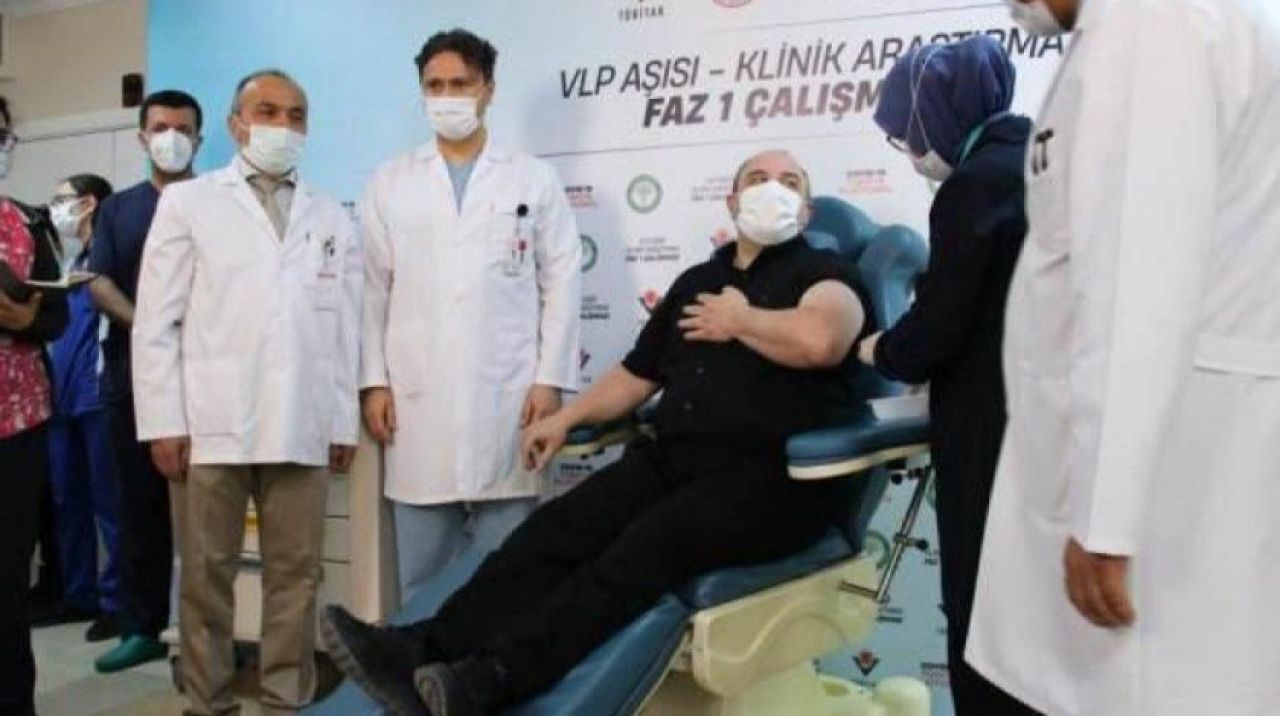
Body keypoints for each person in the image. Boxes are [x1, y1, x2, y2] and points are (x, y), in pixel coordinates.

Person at [323, 149, 873, 716]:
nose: (772, 189)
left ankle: (494, 679)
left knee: (641, 549)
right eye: (757, 179)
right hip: (674, 465)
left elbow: (823, 340)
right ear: (732, 202)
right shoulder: (698, 282)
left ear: (806, 211)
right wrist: (565, 419)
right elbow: (637, 375)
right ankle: (422, 648)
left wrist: (740, 320)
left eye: (789, 182)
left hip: (772, 480)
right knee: (554, 531)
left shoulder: (824, 275)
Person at [967, 1, 1280, 715]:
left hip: (1172, 475)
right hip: (1201, 448)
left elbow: (1136, 281)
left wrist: (1106, 517)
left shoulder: (1152, 22)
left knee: (1156, 687)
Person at [132, 69, 362, 716]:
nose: (282, 126)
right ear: (236, 124)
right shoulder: (190, 203)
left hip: (301, 423)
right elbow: (156, 322)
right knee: (207, 577)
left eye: (296, 114)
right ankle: (206, 701)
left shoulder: (331, 216)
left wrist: (340, 420)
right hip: (211, 423)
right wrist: (163, 422)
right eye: (268, 111)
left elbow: (345, 328)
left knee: (297, 575)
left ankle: (285, 698)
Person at [360, 28, 581, 607]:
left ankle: (495, 664)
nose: (447, 96)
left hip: (508, 399)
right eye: (435, 85)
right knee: (421, 579)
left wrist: (549, 379)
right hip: (417, 404)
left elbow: (561, 282)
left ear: (488, 89)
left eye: (460, 83)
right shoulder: (391, 182)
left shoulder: (532, 178)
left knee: (507, 574)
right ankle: (418, 660)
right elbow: (371, 292)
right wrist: (374, 382)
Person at [861, 37, 1038, 716]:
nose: (910, 152)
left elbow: (938, 328)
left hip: (994, 434)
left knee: (984, 619)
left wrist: (879, 351)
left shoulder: (974, 184)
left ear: (932, 117)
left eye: (905, 135)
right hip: (1043, 430)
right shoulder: (1037, 159)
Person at [87, 89, 205, 673]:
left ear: (200, 139)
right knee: (138, 510)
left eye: (183, 129)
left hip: (205, 380)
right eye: (160, 128)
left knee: (210, 517)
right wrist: (149, 327)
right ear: (142, 137)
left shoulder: (218, 202)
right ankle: (141, 625)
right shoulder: (120, 210)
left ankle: (211, 631)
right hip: (132, 380)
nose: (171, 138)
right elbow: (97, 281)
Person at [0, 94, 70, 716]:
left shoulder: (26, 223)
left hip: (16, 427)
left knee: (7, 581)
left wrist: (28, 319)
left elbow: (57, 312)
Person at [41, 173, 124, 643]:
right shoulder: (71, 261)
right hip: (61, 398)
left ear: (89, 203)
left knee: (108, 503)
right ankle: (78, 595)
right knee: (66, 499)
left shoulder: (108, 259)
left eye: (62, 199)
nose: (55, 208)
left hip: (96, 396)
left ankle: (117, 603)